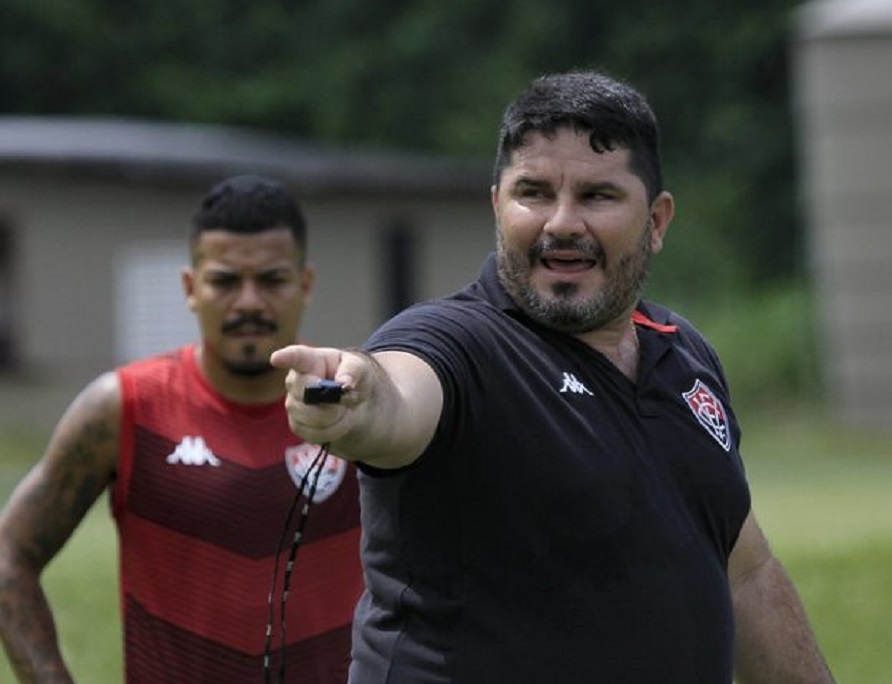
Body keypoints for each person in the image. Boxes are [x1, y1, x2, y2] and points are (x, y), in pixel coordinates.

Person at [271, 71, 835, 684]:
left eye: (598, 196)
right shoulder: (463, 344)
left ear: (657, 220)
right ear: (496, 205)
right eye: (534, 193)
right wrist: (355, 400)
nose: (562, 223)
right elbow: (397, 394)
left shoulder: (684, 354)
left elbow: (744, 572)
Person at [0, 175, 364, 683]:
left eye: (273, 280)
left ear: (304, 285)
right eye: (226, 281)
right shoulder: (123, 407)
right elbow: (9, 555)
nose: (250, 303)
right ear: (191, 289)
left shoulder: (354, 407)